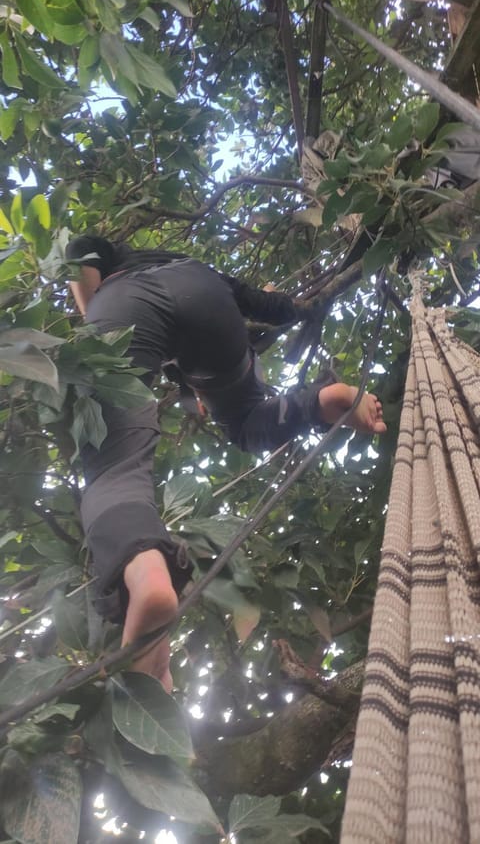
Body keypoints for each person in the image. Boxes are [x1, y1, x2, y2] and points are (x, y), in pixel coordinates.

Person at [66, 236, 386, 691]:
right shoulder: (201, 268)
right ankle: (320, 401)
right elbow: (277, 306)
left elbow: (79, 251)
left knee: (113, 463)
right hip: (210, 303)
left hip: (123, 303)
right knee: (246, 421)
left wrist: (94, 312)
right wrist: (298, 306)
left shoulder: (116, 265)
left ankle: (145, 566)